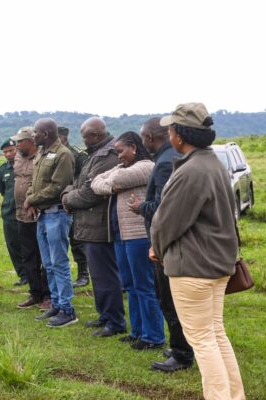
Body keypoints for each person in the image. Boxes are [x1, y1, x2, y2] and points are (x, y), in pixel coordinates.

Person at [150, 103, 244, 399]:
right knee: (215, 334)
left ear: (180, 135)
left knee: (203, 340)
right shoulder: (213, 162)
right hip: (217, 264)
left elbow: (167, 221)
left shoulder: (191, 170)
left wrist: (157, 248)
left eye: (170, 129)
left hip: (193, 267)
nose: (168, 134)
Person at [129, 117, 193, 372]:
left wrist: (140, 207)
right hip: (170, 243)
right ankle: (182, 345)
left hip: (166, 244)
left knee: (169, 299)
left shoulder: (166, 162)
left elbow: (163, 208)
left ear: (149, 137)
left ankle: (181, 353)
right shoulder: (169, 158)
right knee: (170, 298)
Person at [91, 132, 165, 350]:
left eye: (121, 151)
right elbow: (95, 182)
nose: (119, 156)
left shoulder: (146, 167)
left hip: (138, 235)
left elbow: (115, 180)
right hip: (121, 235)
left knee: (144, 285)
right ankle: (138, 331)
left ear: (134, 147)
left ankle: (154, 336)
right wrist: (110, 184)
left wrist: (110, 183)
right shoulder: (123, 167)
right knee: (130, 285)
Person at [62, 117, 126, 337]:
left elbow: (90, 193)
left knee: (106, 275)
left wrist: (67, 199)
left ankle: (115, 321)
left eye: (85, 137)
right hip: (91, 223)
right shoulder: (96, 153)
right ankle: (105, 315)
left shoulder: (108, 155)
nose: (83, 141)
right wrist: (70, 193)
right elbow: (80, 183)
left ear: (96, 135)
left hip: (100, 224)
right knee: (98, 276)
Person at [25, 118, 78, 328]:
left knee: (59, 263)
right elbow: (34, 182)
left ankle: (67, 310)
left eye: (35, 132)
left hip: (57, 214)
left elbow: (58, 187)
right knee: (48, 264)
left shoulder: (63, 154)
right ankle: (56, 304)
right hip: (43, 215)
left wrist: (31, 199)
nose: (33, 136)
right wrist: (31, 199)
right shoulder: (41, 153)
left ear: (45, 134)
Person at [11, 127, 50, 309]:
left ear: (31, 141)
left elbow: (42, 183)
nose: (17, 145)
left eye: (21, 141)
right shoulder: (18, 157)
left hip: (38, 213)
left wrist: (32, 200)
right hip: (21, 213)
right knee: (28, 255)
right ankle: (35, 293)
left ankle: (48, 294)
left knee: (45, 255)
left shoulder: (43, 158)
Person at [58, 126, 89, 288]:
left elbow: (85, 178)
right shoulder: (53, 154)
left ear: (63, 138)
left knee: (77, 239)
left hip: (74, 200)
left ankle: (83, 274)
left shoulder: (77, 155)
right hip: (59, 201)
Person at [0, 138, 27, 286]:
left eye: (11, 150)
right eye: (5, 152)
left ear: (17, 149)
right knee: (13, 245)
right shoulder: (2, 170)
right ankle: (23, 275)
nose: (8, 154)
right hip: (9, 213)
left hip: (26, 211)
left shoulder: (27, 164)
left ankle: (35, 272)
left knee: (28, 244)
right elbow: (3, 191)